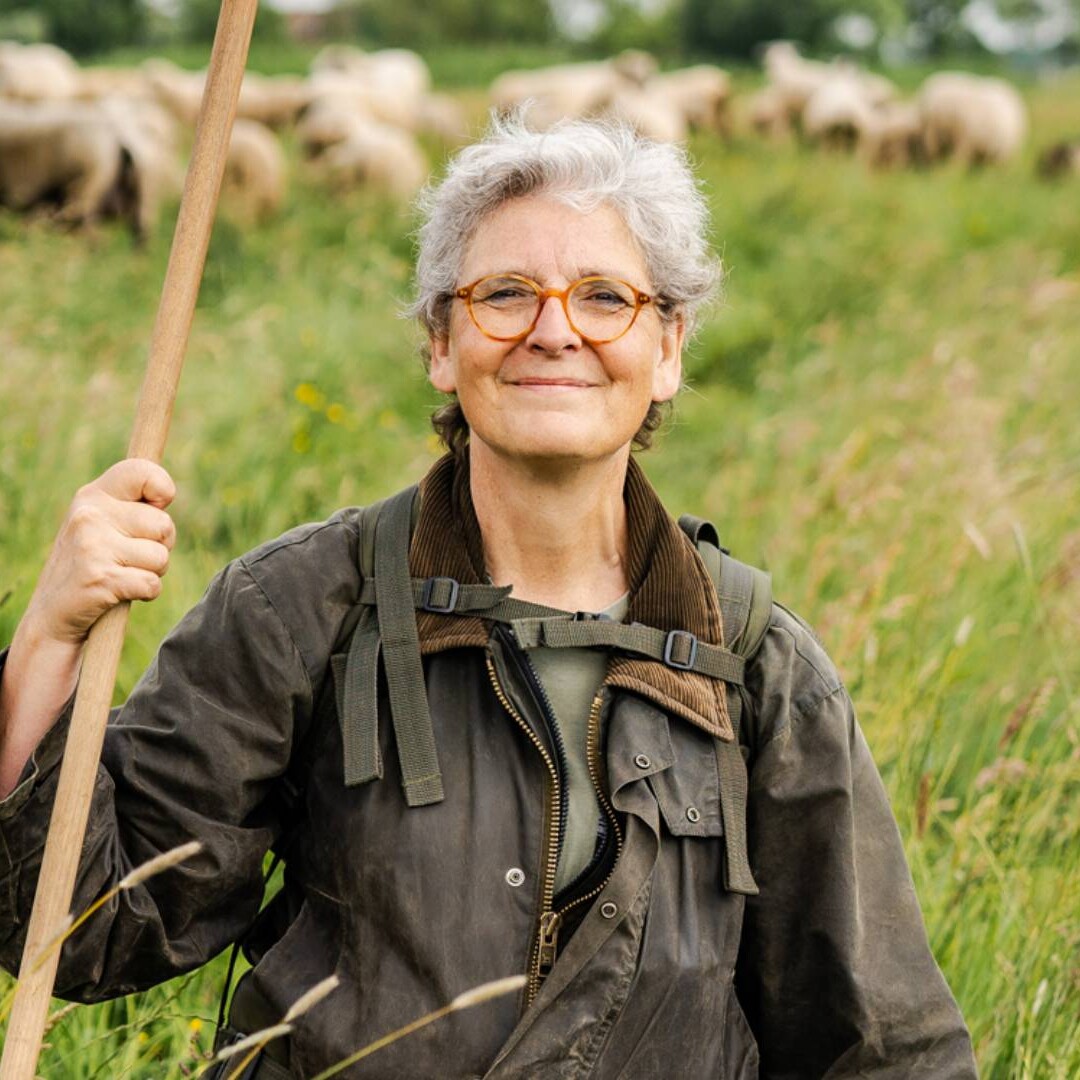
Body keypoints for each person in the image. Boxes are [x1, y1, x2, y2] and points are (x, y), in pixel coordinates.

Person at [0, 116, 977, 1078]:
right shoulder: (298, 607)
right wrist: (50, 633)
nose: (555, 331)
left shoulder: (756, 667)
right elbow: (82, 933)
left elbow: (881, 1047)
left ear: (669, 345)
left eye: (605, 297)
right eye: (506, 292)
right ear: (440, 339)